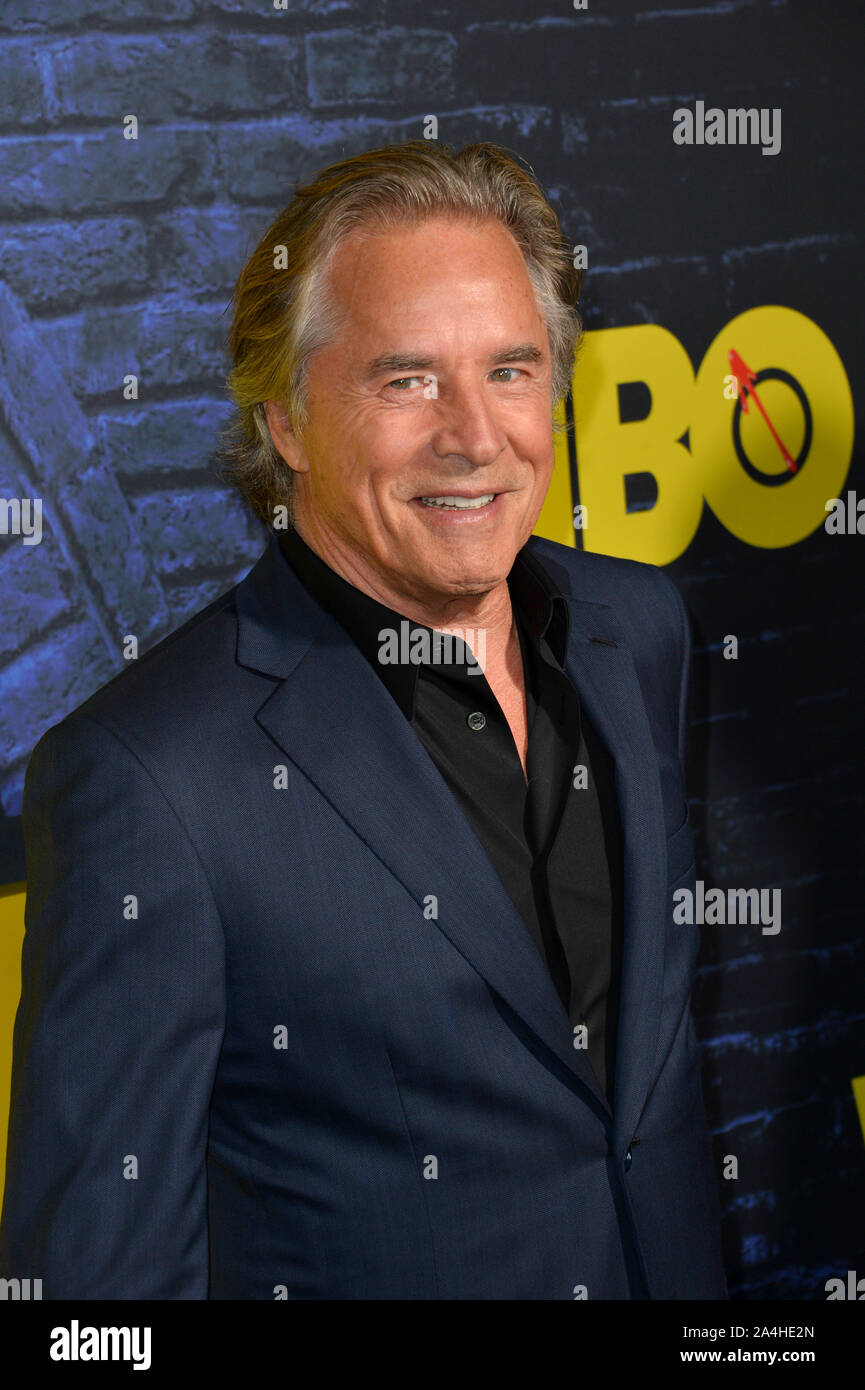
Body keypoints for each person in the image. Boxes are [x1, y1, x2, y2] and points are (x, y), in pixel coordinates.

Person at [0, 140, 727, 1299]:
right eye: (406, 379)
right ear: (286, 419)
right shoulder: (149, 781)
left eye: (510, 368)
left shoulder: (636, 631)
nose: (476, 435)